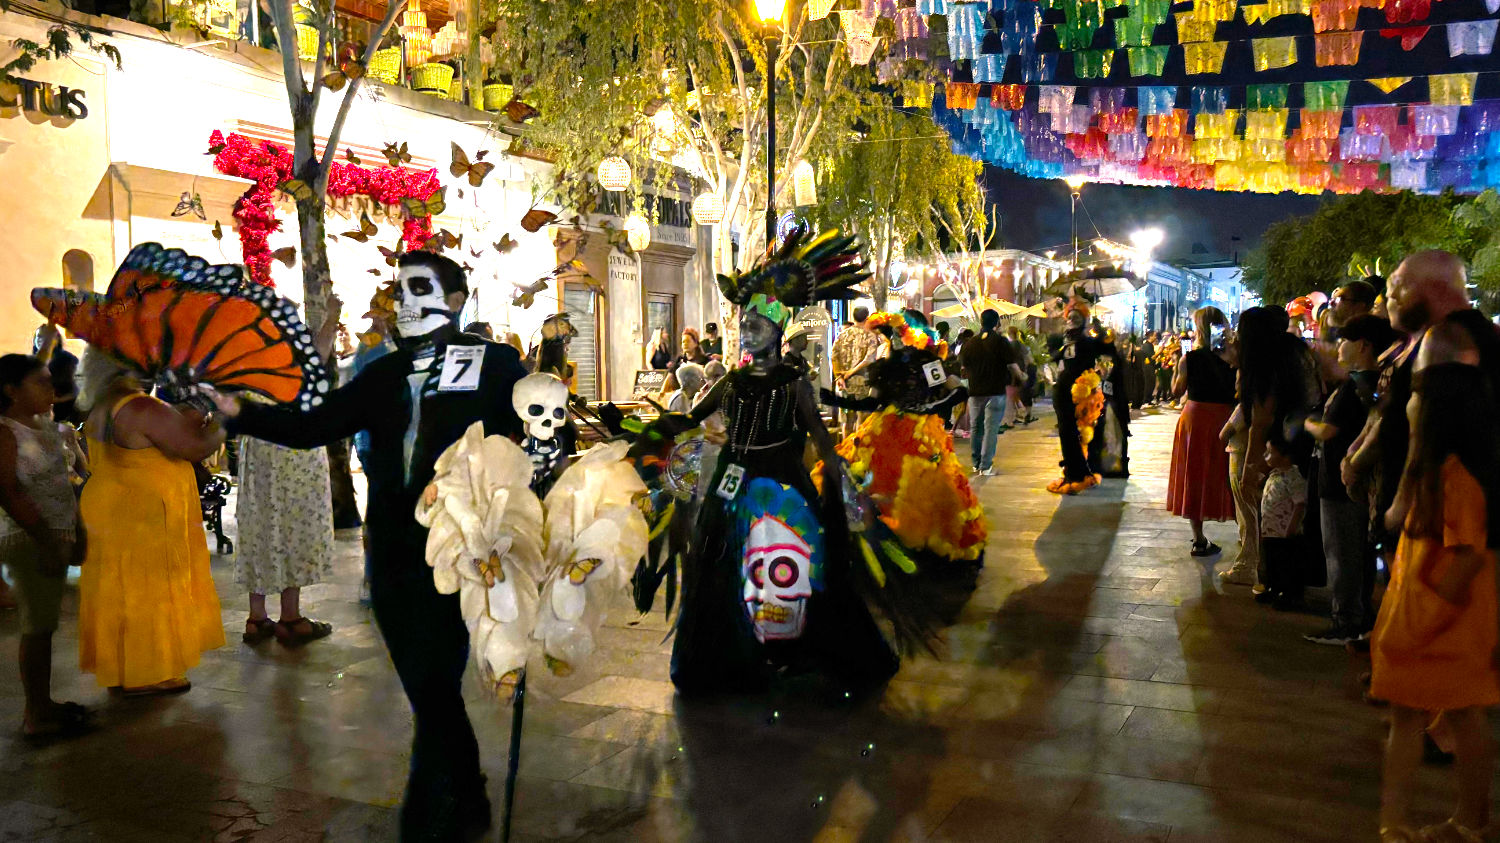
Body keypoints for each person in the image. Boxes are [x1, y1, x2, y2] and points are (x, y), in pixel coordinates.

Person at [210, 251, 527, 839]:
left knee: (435, 681)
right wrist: (238, 413)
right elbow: (313, 427)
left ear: (456, 301)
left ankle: (432, 812)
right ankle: (464, 790)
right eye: (399, 291)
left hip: (461, 552)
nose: (404, 302)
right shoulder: (381, 373)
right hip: (393, 555)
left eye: (419, 289)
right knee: (427, 684)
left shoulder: (496, 364)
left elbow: (535, 431)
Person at [667, 228, 897, 694]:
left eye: (756, 325)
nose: (746, 332)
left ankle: (789, 641)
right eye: (744, 325)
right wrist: (640, 430)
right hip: (733, 479)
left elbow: (819, 436)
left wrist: (840, 483)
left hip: (783, 481)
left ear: (776, 331)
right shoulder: (730, 382)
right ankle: (733, 647)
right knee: (723, 560)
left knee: (792, 558)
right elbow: (690, 418)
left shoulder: (794, 383)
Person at [1370, 363, 1498, 842]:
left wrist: (1421, 621)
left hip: (1444, 629)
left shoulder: (1456, 479)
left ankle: (1467, 820)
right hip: (1428, 622)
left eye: (1415, 396)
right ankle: (1400, 822)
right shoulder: (1436, 471)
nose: (1407, 403)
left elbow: (1467, 560)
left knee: (1461, 717)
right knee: (1423, 717)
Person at [77, 348, 227, 696]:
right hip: (142, 513)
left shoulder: (103, 403)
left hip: (112, 505)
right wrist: (225, 421)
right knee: (147, 592)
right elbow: (195, 447)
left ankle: (125, 669)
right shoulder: (140, 407)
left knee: (120, 590)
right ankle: (146, 673)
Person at [235, 295, 343, 647]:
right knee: (292, 525)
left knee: (261, 525)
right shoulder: (288, 356)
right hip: (293, 451)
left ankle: (257, 618)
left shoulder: (243, 355)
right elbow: (318, 355)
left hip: (258, 452)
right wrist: (331, 316)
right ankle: (291, 618)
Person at [0, 355, 89, 741]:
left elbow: (64, 484)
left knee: (46, 625)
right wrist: (47, 540)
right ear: (11, 390)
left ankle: (44, 703)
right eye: (39, 382)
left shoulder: (48, 428)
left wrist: (78, 530)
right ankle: (35, 714)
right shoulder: (6, 432)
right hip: (29, 539)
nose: (51, 389)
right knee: (36, 627)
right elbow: (9, 491)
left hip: (57, 534)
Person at [1302, 315, 1395, 645]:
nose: (1338, 347)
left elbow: (1328, 430)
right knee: (1357, 555)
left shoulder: (1358, 386)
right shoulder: (1373, 383)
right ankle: (1359, 617)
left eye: (1344, 341)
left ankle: (1346, 622)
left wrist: (1306, 423)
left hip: (1342, 484)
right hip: (1356, 484)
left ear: (1364, 346)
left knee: (1342, 555)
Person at [1167, 307, 1236, 557]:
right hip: (1225, 418)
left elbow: (1177, 391)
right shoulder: (1233, 356)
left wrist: (1176, 366)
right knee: (1229, 473)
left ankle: (1198, 539)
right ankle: (1246, 532)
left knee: (1194, 474)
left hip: (1195, 419)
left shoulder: (1190, 358)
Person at [1047, 299, 1118, 494]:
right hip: (1064, 391)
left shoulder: (1089, 341)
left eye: (1076, 318)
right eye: (1069, 317)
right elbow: (1054, 357)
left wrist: (1100, 332)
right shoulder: (1063, 341)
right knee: (1067, 432)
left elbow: (1109, 351)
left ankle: (1078, 472)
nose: (1071, 321)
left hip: (1083, 393)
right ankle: (1074, 469)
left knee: (1077, 433)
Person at [959, 309, 1021, 476]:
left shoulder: (970, 343)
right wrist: (1021, 376)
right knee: (990, 429)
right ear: (997, 323)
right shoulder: (1000, 342)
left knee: (976, 428)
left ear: (981, 322)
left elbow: (963, 368)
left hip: (975, 392)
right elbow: (1012, 365)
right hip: (995, 391)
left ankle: (976, 463)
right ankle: (986, 466)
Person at [1258, 432, 1310, 609]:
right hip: (1271, 530)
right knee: (1272, 562)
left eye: (1270, 452)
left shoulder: (1293, 477)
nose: (1265, 455)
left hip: (1285, 532)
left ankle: (1289, 595)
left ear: (1285, 456)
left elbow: (1300, 503)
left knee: (1287, 564)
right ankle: (1273, 588)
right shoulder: (1275, 474)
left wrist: (1292, 526)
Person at [831, 307, 883, 435]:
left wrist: (839, 377)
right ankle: (856, 447)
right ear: (867, 318)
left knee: (847, 421)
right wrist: (852, 372)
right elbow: (869, 359)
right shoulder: (870, 336)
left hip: (844, 384)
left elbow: (834, 357)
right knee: (861, 420)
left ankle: (845, 446)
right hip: (863, 383)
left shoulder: (842, 335)